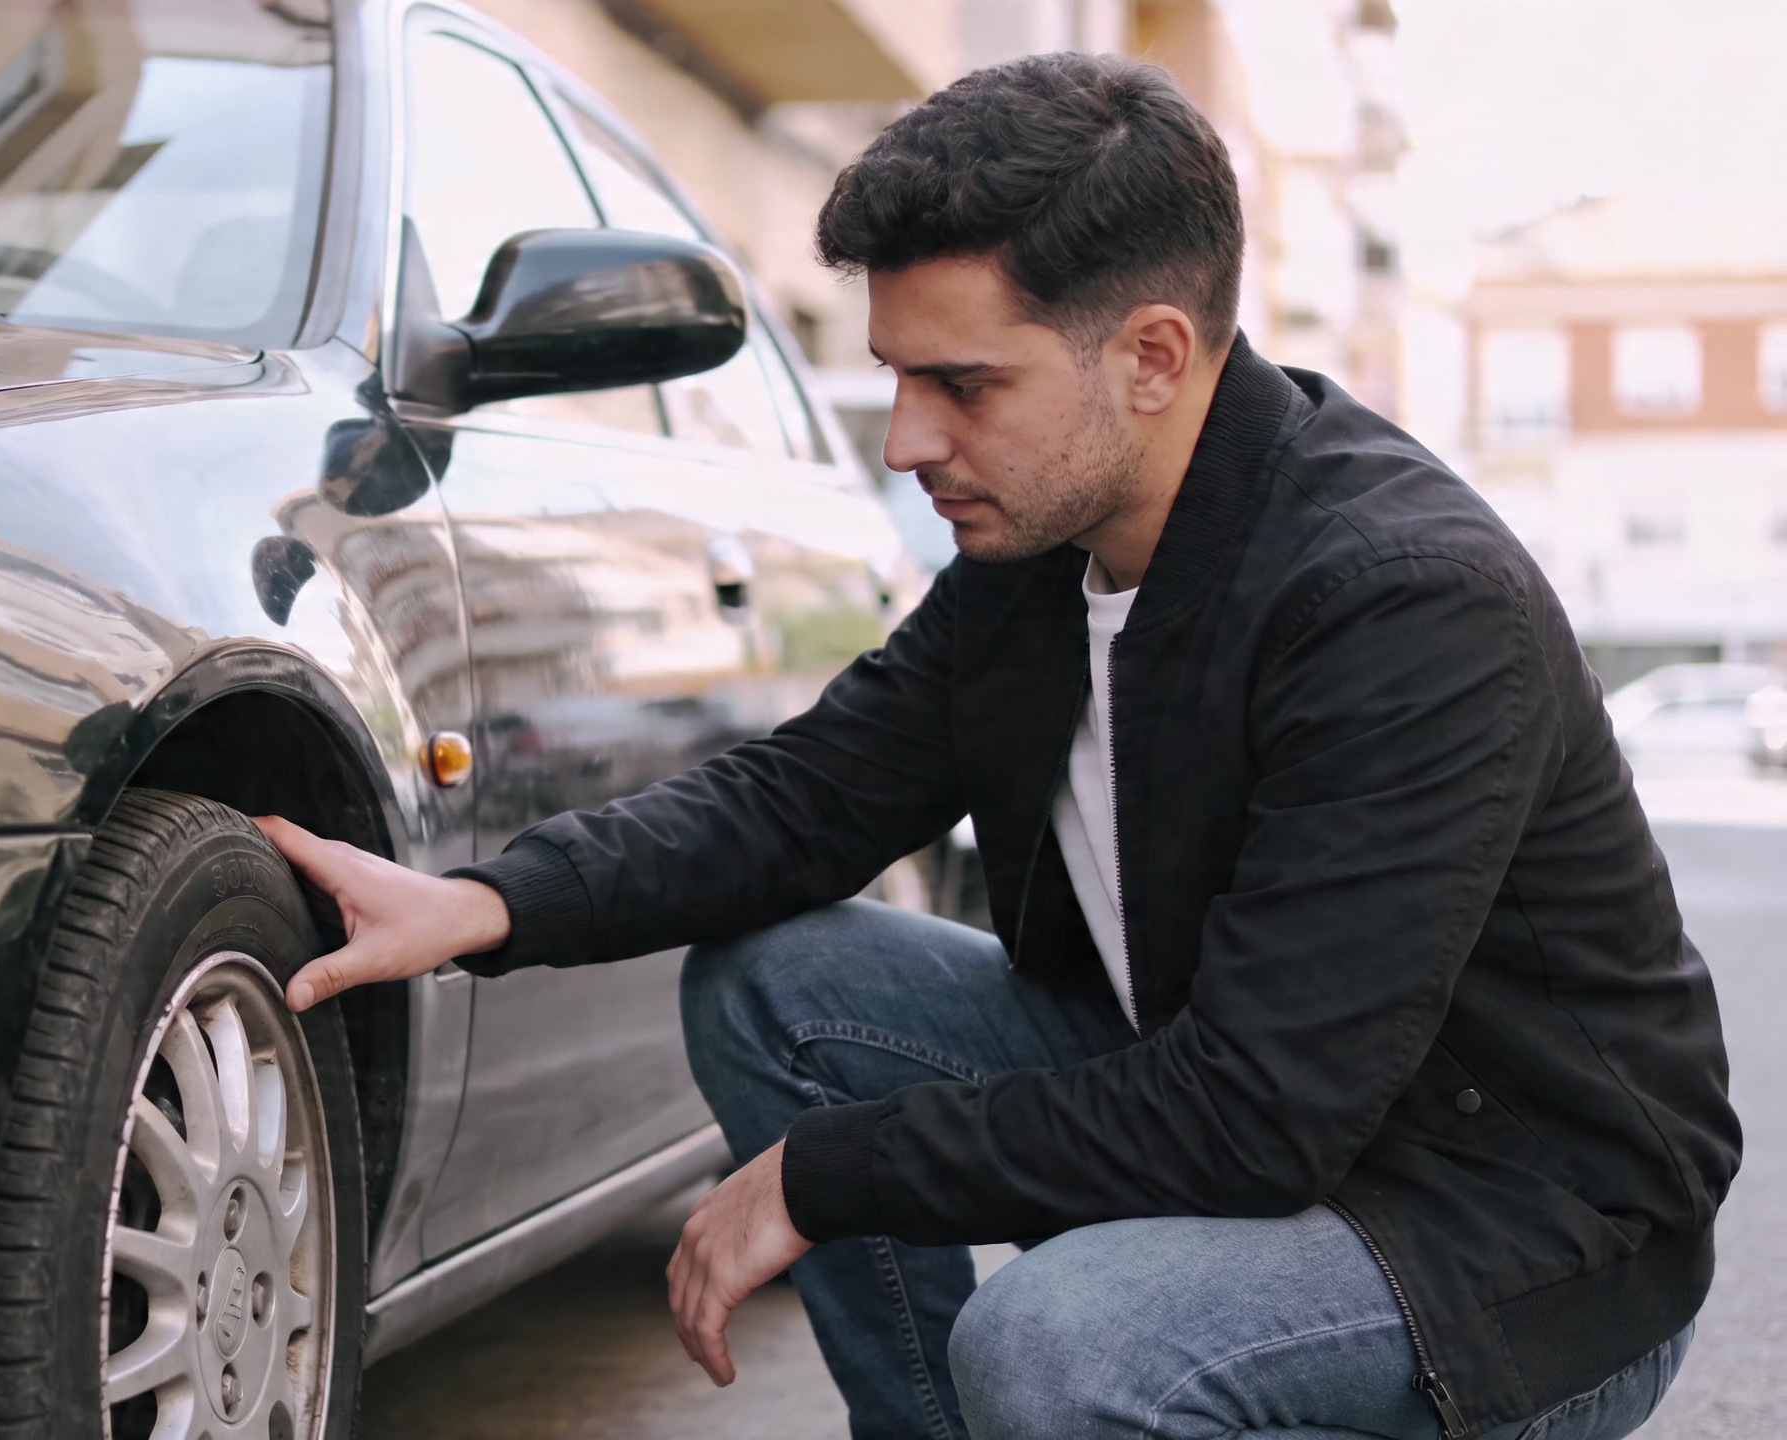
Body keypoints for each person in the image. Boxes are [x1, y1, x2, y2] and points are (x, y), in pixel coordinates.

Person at [256, 52, 1738, 1440]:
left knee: (1061, 1343)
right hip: (1246, 1099)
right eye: (899, 376)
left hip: (1503, 1232)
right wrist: (494, 903)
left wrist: (826, 1178)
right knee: (787, 984)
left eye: (963, 386)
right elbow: (810, 798)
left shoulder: (1399, 600)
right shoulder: (1040, 559)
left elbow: (1260, 1116)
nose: (905, 442)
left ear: (1153, 356)